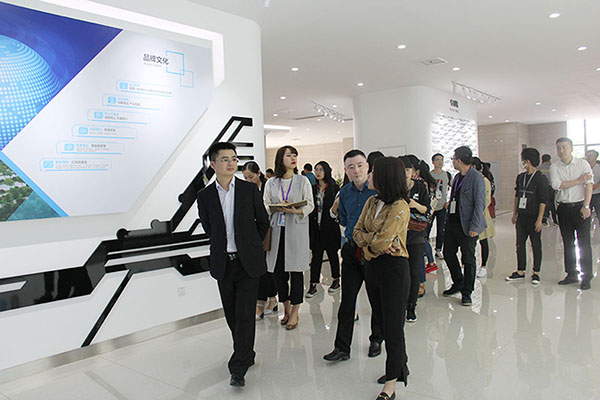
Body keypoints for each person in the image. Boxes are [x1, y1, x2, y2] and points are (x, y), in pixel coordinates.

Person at [196, 142, 270, 387]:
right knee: (232, 315)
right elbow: (209, 227)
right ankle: (246, 353)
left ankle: (238, 367)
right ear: (213, 163)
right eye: (225, 159)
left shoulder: (249, 190)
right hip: (223, 263)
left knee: (245, 314)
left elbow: (263, 221)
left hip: (247, 262)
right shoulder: (205, 196)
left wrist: (251, 245)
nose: (231, 163)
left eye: (234, 159)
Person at [353, 156, 411, 400]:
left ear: (385, 176)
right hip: (373, 268)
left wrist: (371, 243)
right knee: (384, 324)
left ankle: (390, 384)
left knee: (394, 327)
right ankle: (400, 367)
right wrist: (373, 242)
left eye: (373, 171)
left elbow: (383, 242)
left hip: (394, 270)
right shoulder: (371, 201)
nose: (369, 174)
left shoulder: (400, 206)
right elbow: (356, 232)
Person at [324, 149, 383, 362]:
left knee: (376, 300)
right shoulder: (344, 193)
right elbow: (343, 220)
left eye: (359, 165)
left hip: (373, 252)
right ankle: (342, 348)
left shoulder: (377, 192)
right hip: (350, 251)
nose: (356, 170)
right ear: (346, 170)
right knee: (347, 301)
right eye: (351, 167)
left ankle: (376, 339)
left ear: (367, 167)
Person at [264, 146, 314, 329]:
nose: (293, 158)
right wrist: (276, 207)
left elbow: (310, 204)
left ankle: (295, 312)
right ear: (280, 159)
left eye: (295, 155)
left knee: (296, 272)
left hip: (296, 229)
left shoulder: (302, 180)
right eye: (289, 155)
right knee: (278, 273)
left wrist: (296, 210)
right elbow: (265, 204)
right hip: (277, 230)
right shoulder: (271, 182)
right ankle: (286, 308)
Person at [442, 146, 487, 306]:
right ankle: (458, 282)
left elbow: (480, 204)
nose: (452, 161)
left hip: (468, 225)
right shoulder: (456, 177)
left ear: (459, 160)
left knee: (468, 258)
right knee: (448, 253)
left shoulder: (476, 178)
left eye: (453, 159)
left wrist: (475, 226)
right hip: (453, 222)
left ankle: (467, 291)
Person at [550, 137, 594, 290]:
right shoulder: (555, 167)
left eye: (564, 147)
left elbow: (589, 185)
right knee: (567, 243)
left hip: (580, 207)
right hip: (563, 208)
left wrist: (586, 205)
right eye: (558, 148)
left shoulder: (582, 164)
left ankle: (586, 276)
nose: (561, 151)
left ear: (571, 148)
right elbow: (556, 185)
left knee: (584, 243)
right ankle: (571, 273)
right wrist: (578, 180)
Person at [506, 148, 549, 285]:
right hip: (522, 216)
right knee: (520, 244)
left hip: (534, 216)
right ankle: (520, 271)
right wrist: (514, 213)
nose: (522, 162)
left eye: (523, 160)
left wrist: (540, 219)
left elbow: (543, 201)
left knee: (535, 244)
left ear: (528, 161)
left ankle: (536, 272)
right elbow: (517, 196)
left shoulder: (541, 178)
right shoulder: (521, 177)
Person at [242, 161, 278, 320]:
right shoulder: (246, 190)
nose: (248, 180)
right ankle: (270, 299)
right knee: (261, 267)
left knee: (268, 267)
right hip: (253, 233)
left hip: (269, 230)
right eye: (245, 177)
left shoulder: (267, 186)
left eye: (250, 177)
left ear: (258, 173)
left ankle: (264, 301)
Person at [399, 156, 430, 323]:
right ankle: (400, 304)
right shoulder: (394, 187)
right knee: (400, 271)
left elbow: (427, 209)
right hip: (398, 235)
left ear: (412, 171)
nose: (405, 173)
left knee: (414, 271)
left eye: (407, 170)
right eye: (402, 170)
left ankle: (411, 306)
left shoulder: (420, 187)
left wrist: (414, 204)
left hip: (416, 234)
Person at [306, 161, 341, 297]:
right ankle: (313, 284)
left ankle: (336, 280)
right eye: (316, 170)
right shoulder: (312, 188)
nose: (318, 172)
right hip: (316, 227)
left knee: (332, 255)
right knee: (316, 257)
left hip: (330, 227)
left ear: (326, 171)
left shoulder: (334, 188)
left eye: (321, 169)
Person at [471, 157, 495, 278]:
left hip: (481, 216)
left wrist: (476, 212)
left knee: (483, 241)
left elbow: (486, 200)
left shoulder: (484, 180)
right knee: (469, 243)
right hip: (469, 216)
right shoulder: (467, 179)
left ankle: (484, 266)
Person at [430, 153, 451, 259]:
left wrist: (449, 201)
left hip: (442, 206)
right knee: (427, 228)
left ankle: (438, 249)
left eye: (441, 160)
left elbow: (454, 188)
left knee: (441, 229)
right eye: (437, 160)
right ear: (433, 162)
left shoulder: (447, 175)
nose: (440, 162)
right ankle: (426, 249)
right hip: (431, 207)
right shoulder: (429, 175)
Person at [538, 154, 558, 225]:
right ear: (549, 160)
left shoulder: (539, 168)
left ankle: (544, 220)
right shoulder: (553, 167)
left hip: (542, 188)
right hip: (551, 188)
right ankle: (555, 220)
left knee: (543, 203)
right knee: (552, 204)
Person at [585, 150, 600, 218]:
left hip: (597, 194)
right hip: (585, 195)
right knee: (586, 216)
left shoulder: (598, 167)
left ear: (596, 157)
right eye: (587, 155)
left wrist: (595, 186)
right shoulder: (584, 167)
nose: (588, 157)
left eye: (591, 155)